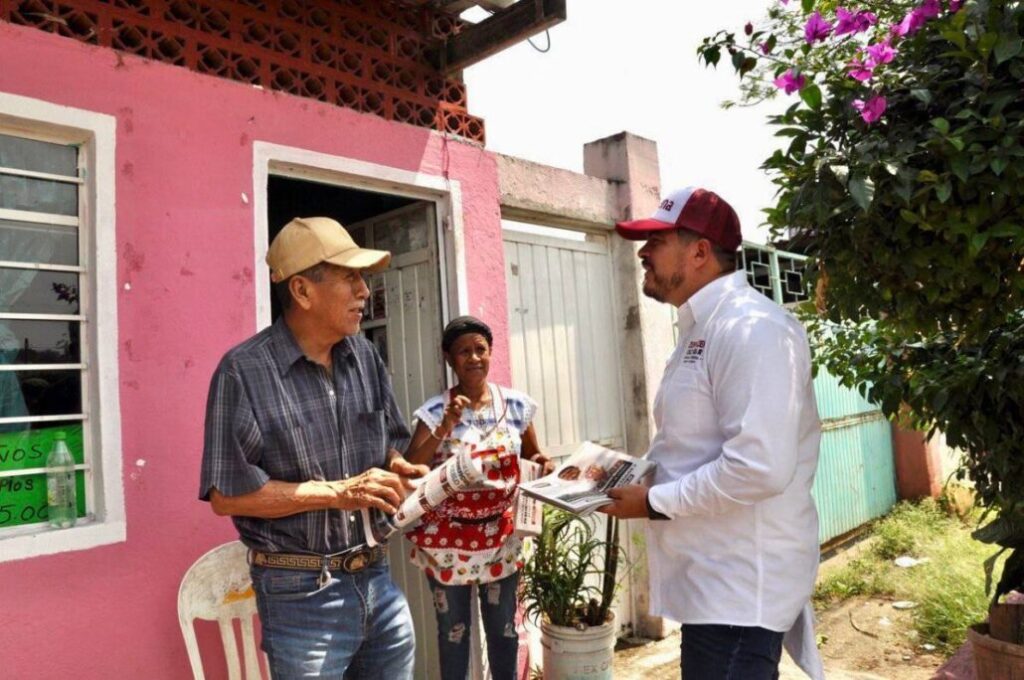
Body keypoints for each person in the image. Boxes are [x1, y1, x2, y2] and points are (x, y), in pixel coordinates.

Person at [599, 187, 825, 680]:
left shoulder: (753, 328)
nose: (643, 253)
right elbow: (693, 447)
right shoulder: (702, 329)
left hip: (737, 587)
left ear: (700, 251)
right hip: (713, 585)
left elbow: (758, 467)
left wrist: (655, 501)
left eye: (656, 241)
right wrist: (608, 473)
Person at [199, 216, 428, 679]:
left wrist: (408, 470)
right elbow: (226, 497)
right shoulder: (242, 372)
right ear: (303, 291)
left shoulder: (363, 354)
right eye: (350, 278)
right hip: (300, 595)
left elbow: (388, 448)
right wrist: (339, 492)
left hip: (379, 581)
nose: (365, 291)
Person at [403, 316, 554, 680]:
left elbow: (533, 454)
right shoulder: (435, 411)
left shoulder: (516, 406)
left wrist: (545, 464)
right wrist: (443, 429)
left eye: (480, 350)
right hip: (446, 542)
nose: (473, 358)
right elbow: (410, 467)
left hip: (501, 538)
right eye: (463, 352)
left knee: (504, 631)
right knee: (453, 634)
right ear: (449, 359)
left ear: (490, 353)